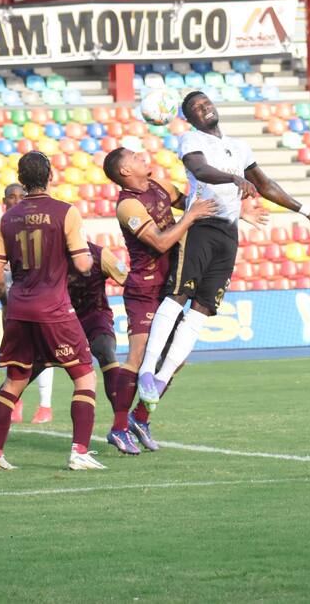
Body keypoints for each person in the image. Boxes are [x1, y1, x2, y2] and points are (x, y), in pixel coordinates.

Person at [136, 91, 310, 409]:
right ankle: (146, 371)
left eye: (206, 102)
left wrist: (306, 211)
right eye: (196, 108)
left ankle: (160, 379)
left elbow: (265, 185)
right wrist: (234, 178)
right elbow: (199, 170)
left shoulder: (240, 147)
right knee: (178, 297)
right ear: (189, 118)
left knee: (201, 310)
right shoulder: (190, 140)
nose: (204, 108)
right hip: (200, 226)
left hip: (228, 235)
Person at [0, 151, 102, 471]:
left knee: (15, 379)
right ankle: (80, 451)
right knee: (84, 375)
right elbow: (84, 264)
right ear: (50, 176)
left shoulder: (7, 218)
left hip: (19, 307)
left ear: (21, 180)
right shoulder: (65, 212)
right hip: (54, 307)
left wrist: (9, 298)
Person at [100, 146, 217, 451]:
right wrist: (190, 216)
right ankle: (118, 428)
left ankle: (142, 418)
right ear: (125, 171)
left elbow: (197, 205)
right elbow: (162, 242)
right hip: (145, 289)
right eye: (133, 156)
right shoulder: (127, 206)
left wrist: (241, 214)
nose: (141, 155)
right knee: (138, 357)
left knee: (174, 360)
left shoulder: (160, 185)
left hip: (173, 285)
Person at [0, 183, 52, 424]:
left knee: (44, 348)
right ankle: (16, 401)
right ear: (4, 201)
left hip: (37, 291)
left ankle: (45, 405)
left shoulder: (39, 219)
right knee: (15, 348)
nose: (16, 200)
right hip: (11, 292)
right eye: (11, 197)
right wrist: (4, 299)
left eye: (21, 196)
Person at [66, 241, 138, 452]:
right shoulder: (53, 255)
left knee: (106, 351)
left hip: (95, 316)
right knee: (28, 369)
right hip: (63, 319)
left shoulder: (100, 255)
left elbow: (129, 281)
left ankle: (121, 426)